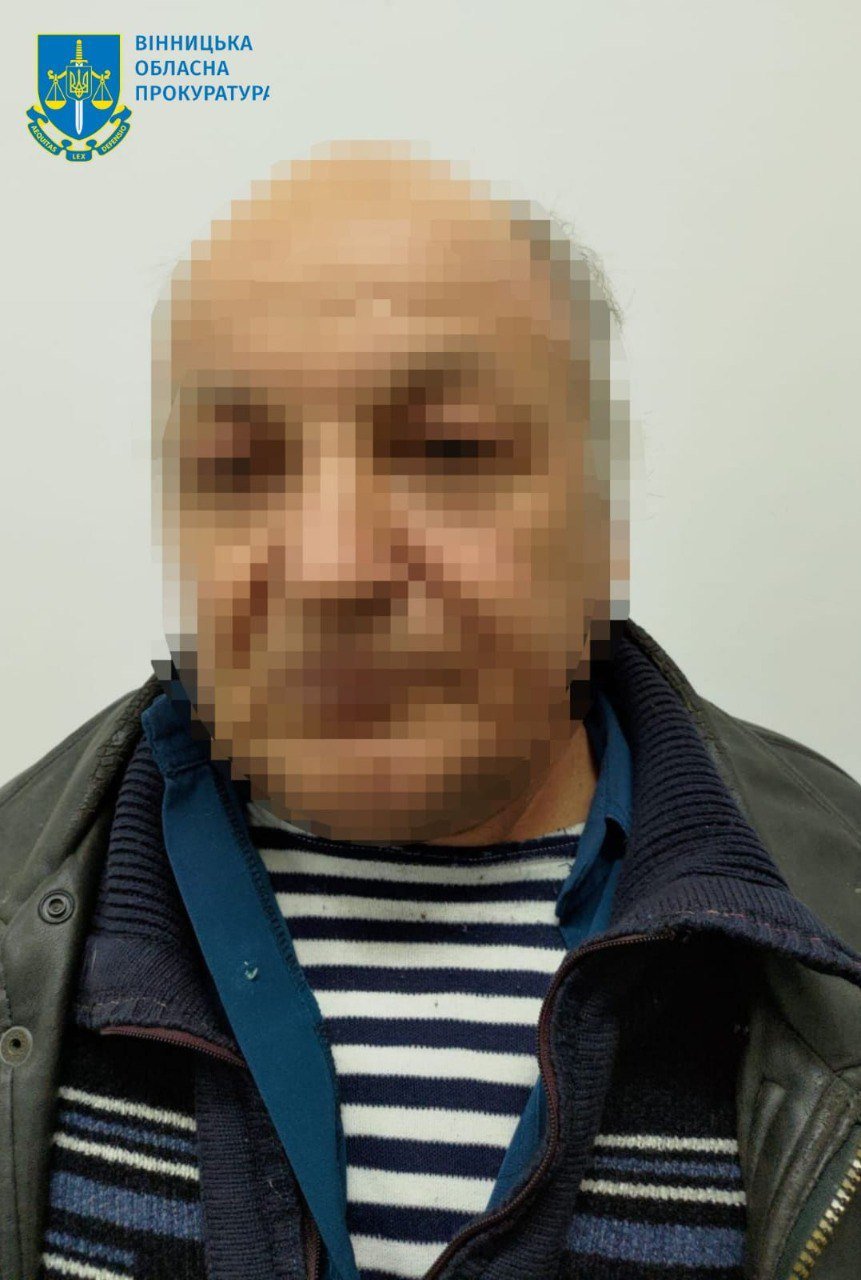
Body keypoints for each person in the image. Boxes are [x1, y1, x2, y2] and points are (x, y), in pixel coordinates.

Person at [1, 143, 859, 1280]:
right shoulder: (26, 903)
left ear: (603, 512)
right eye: (237, 465)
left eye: (450, 450)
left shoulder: (823, 938)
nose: (334, 569)